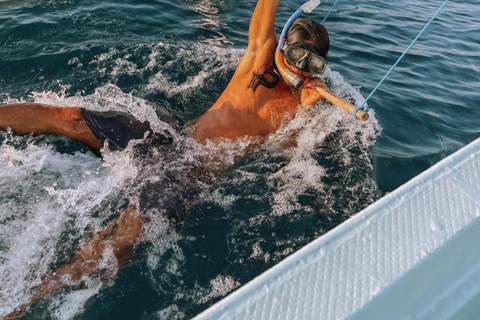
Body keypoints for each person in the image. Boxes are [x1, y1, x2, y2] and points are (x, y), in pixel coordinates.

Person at [0, 1, 343, 318]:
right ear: (283, 44)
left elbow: (291, 156)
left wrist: (306, 109)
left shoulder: (301, 111)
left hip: (191, 174)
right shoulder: (260, 56)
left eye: (312, 64)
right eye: (297, 55)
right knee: (72, 117)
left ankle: (25, 302)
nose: (300, 67)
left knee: (125, 236)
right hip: (169, 139)